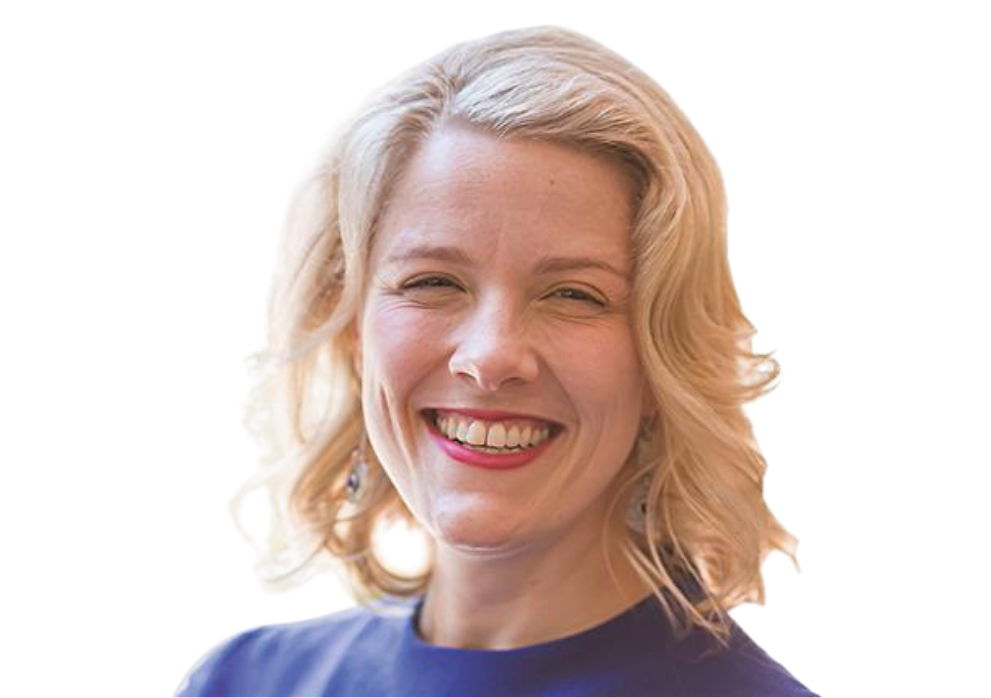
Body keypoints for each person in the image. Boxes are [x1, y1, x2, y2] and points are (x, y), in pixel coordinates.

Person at [177, 26, 815, 697]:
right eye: (433, 282)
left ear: (663, 358)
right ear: (352, 329)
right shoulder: (242, 682)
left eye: (573, 294)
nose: (491, 357)